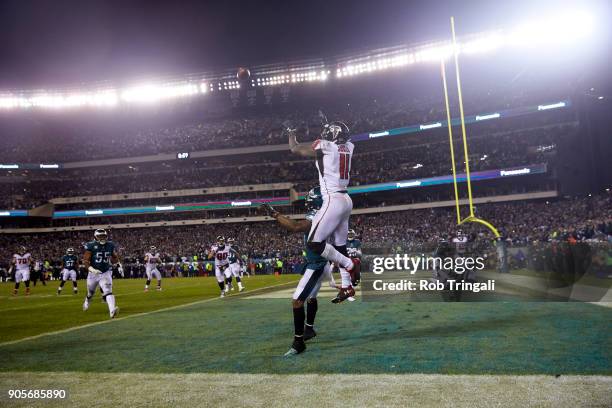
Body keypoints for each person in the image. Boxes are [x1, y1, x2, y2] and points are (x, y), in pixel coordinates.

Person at [260, 186, 341, 356]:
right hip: (320, 261)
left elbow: (296, 226)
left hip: (317, 264)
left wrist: (275, 214)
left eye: (310, 200)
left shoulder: (317, 217)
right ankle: (309, 329)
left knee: (297, 301)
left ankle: (299, 342)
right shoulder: (327, 215)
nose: (307, 203)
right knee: (311, 297)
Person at [287, 120, 359, 303]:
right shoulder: (349, 147)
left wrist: (291, 133)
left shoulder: (325, 146)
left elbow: (295, 148)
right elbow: (339, 140)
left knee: (314, 244)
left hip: (332, 199)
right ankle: (346, 286)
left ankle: (351, 265)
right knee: (340, 247)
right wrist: (331, 129)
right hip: (346, 199)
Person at [82, 229, 120, 319]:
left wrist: (118, 264)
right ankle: (87, 300)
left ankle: (112, 310)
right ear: (95, 237)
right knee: (91, 292)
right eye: (100, 236)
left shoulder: (110, 245)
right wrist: (92, 269)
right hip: (93, 274)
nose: (102, 238)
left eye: (103, 236)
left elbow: (114, 257)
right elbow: (86, 261)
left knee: (108, 291)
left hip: (105, 272)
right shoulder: (91, 246)